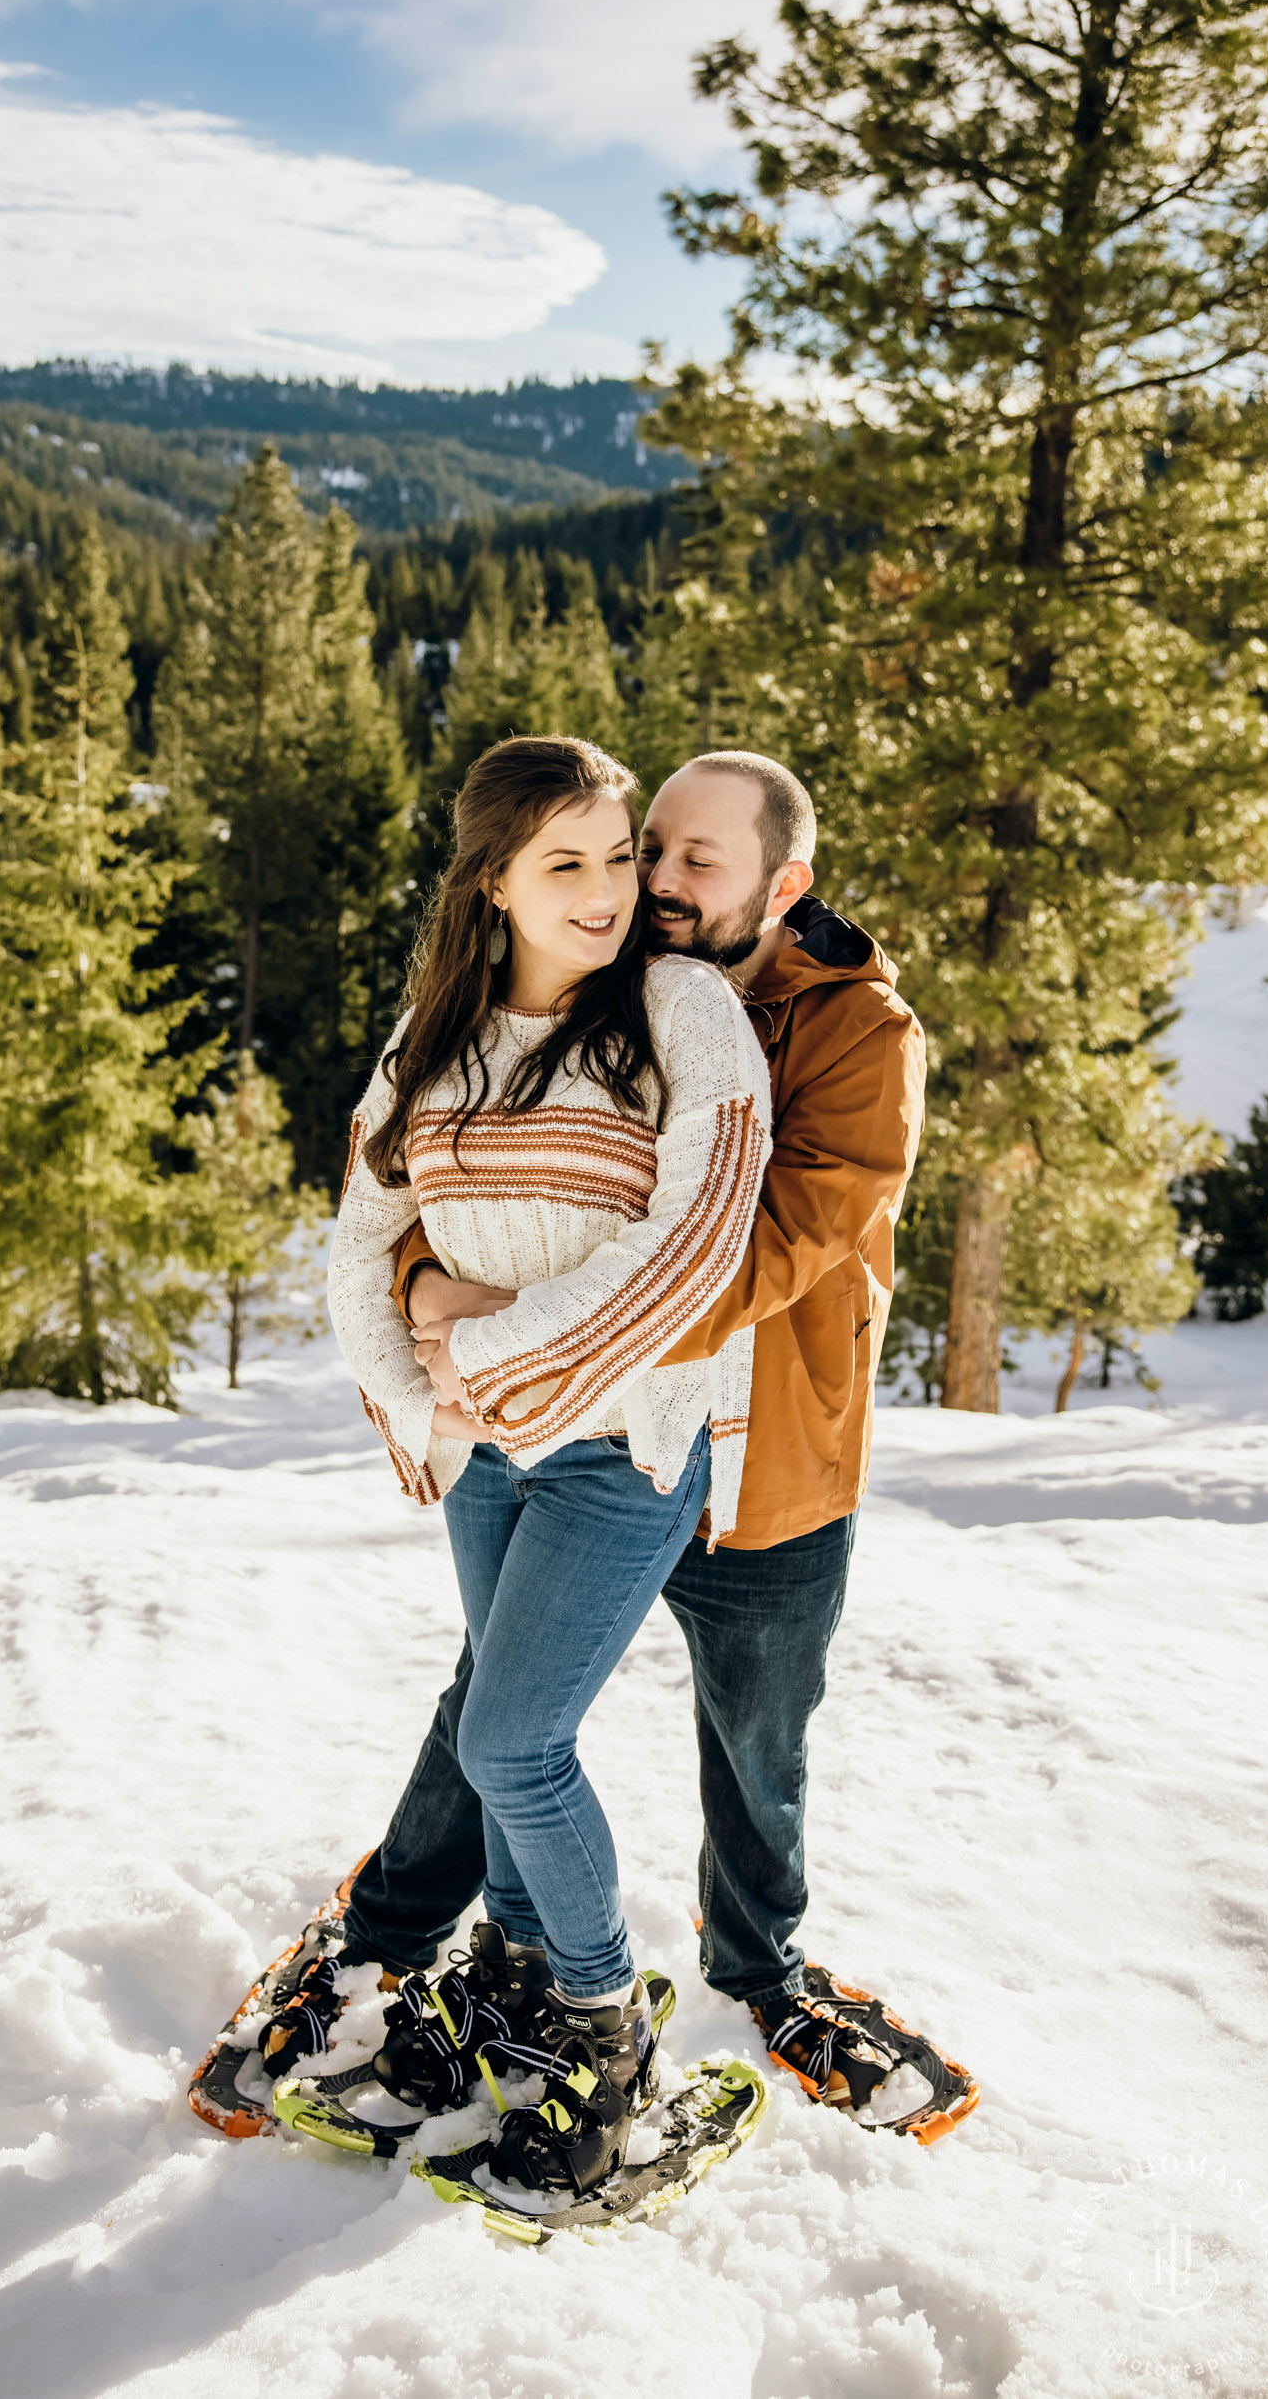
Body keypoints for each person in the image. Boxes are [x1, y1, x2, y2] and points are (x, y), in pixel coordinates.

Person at [339, 751, 972, 2139]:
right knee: (497, 1709)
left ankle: (758, 1968)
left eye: (697, 864)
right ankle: (412, 1932)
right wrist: (425, 1298)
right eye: (648, 852)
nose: (658, 887)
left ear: (781, 885)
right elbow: (482, 1180)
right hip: (561, 1433)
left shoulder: (858, 1032)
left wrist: (503, 1326)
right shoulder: (604, 979)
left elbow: (770, 1245)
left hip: (758, 1460)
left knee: (758, 1734)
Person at [323, 734, 772, 2193]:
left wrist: (494, 1344)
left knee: (510, 1741)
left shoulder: (682, 1011)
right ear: (496, 883)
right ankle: (520, 2000)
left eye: (618, 855)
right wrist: (421, 1389)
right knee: (500, 1741)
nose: (605, 891)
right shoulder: (434, 1032)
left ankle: (603, 2030)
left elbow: (700, 1235)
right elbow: (362, 1233)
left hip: (624, 1442)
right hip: (490, 1452)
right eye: (564, 865)